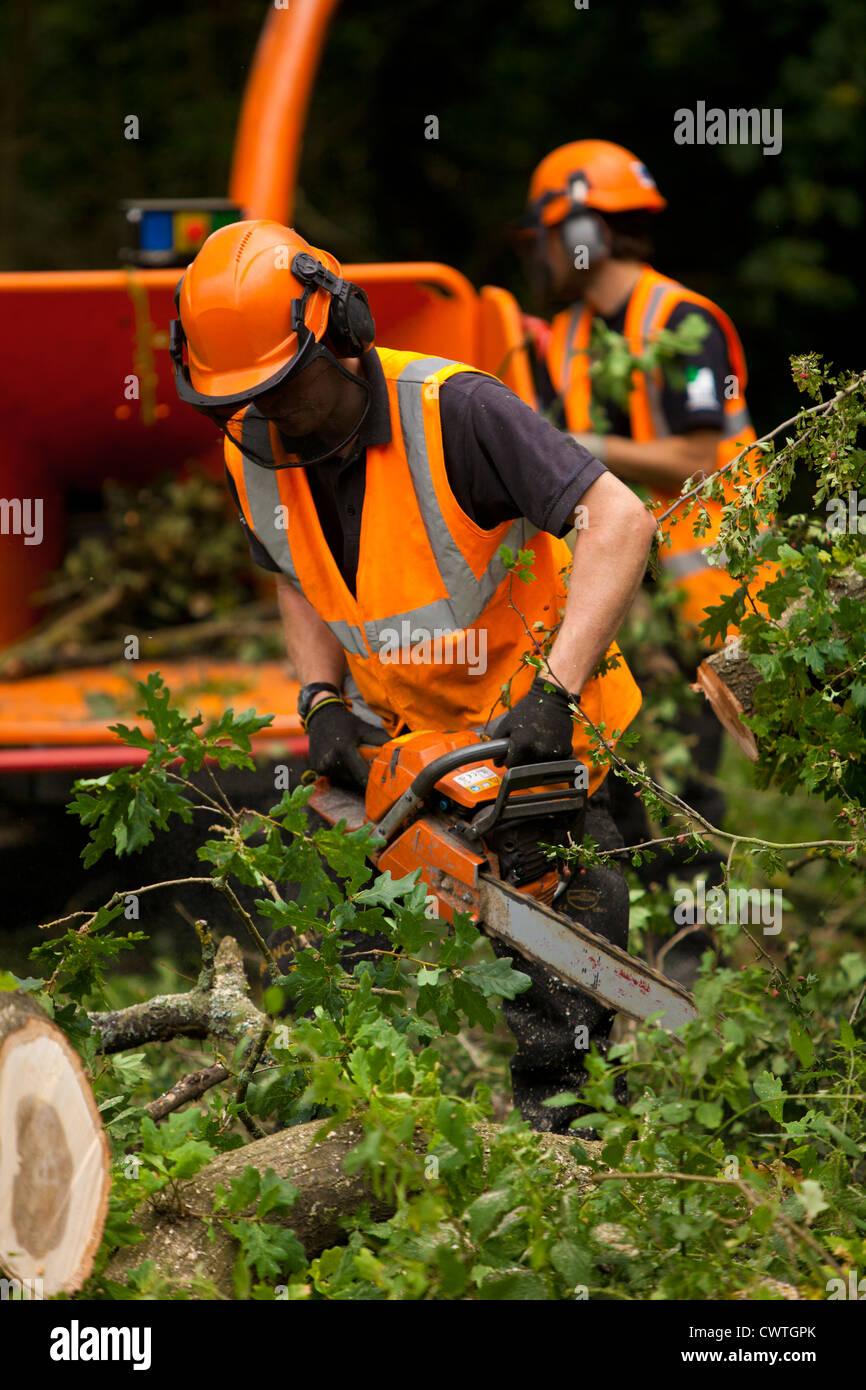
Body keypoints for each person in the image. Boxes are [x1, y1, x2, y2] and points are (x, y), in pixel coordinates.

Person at [171, 219, 656, 1133]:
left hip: (537, 731)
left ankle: (576, 1159)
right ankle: (349, 1141)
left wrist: (552, 695)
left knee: (563, 989)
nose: (275, 416)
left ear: (343, 333)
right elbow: (293, 572)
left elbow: (620, 520)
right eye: (250, 400)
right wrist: (319, 699)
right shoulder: (258, 448)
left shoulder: (458, 411)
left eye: (287, 389)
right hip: (407, 745)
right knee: (343, 963)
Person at [515, 140, 776, 985]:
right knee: (624, 794)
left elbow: (700, 456)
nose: (544, 255)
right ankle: (632, 971)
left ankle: (696, 979)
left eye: (549, 236)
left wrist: (576, 446)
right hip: (621, 606)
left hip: (710, 607)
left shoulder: (683, 323)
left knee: (688, 796)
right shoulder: (568, 336)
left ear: (580, 229)